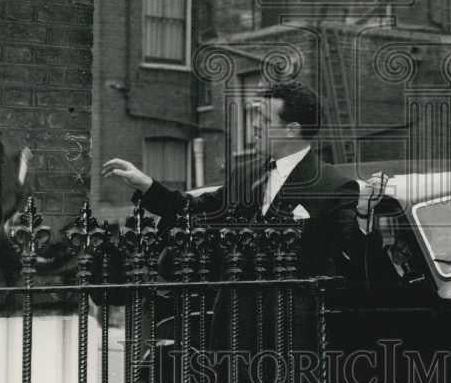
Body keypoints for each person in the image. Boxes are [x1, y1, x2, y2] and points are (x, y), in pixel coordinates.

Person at [102, 80, 364, 277]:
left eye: (264, 119)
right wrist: (146, 184)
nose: (254, 125)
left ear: (292, 130)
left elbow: (354, 266)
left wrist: (366, 221)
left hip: (294, 329)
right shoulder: (246, 174)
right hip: (235, 324)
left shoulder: (334, 187)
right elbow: (193, 209)